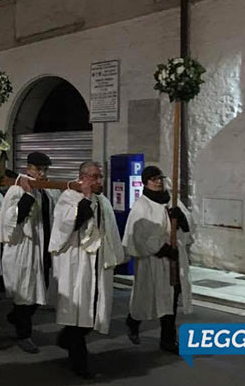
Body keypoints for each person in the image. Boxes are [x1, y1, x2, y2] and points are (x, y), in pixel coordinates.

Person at [49, 161, 125, 378]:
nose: (98, 181)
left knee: (91, 312)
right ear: (82, 177)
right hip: (77, 262)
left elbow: (109, 231)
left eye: (100, 177)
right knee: (79, 310)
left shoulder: (104, 201)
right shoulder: (68, 197)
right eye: (94, 176)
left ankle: (66, 339)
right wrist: (85, 198)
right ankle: (78, 362)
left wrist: (115, 258)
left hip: (98, 263)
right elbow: (67, 225)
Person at [123, 165, 193, 354]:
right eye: (153, 179)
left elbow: (187, 225)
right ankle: (133, 321)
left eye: (160, 178)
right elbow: (138, 236)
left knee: (171, 298)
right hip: (153, 261)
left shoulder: (172, 200)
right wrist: (162, 249)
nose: (158, 182)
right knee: (147, 296)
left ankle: (168, 340)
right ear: (146, 182)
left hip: (173, 260)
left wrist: (181, 219)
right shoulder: (142, 205)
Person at [0, 152, 58, 353]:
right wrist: (28, 195)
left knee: (40, 290)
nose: (42, 174)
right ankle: (24, 335)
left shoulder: (46, 191)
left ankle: (15, 316)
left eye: (45, 170)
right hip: (23, 249)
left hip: (42, 249)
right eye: (38, 170)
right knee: (25, 293)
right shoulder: (16, 190)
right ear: (29, 168)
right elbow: (12, 219)